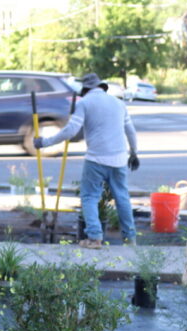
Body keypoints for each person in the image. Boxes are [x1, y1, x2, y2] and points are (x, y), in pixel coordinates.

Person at [34, 73, 139, 249]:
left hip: (96, 159)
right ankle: (130, 239)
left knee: (90, 197)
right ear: (102, 87)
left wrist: (44, 142)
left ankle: (95, 238)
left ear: (85, 90)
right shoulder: (119, 104)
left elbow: (70, 131)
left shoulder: (84, 103)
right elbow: (130, 130)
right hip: (119, 159)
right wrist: (134, 153)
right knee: (122, 198)